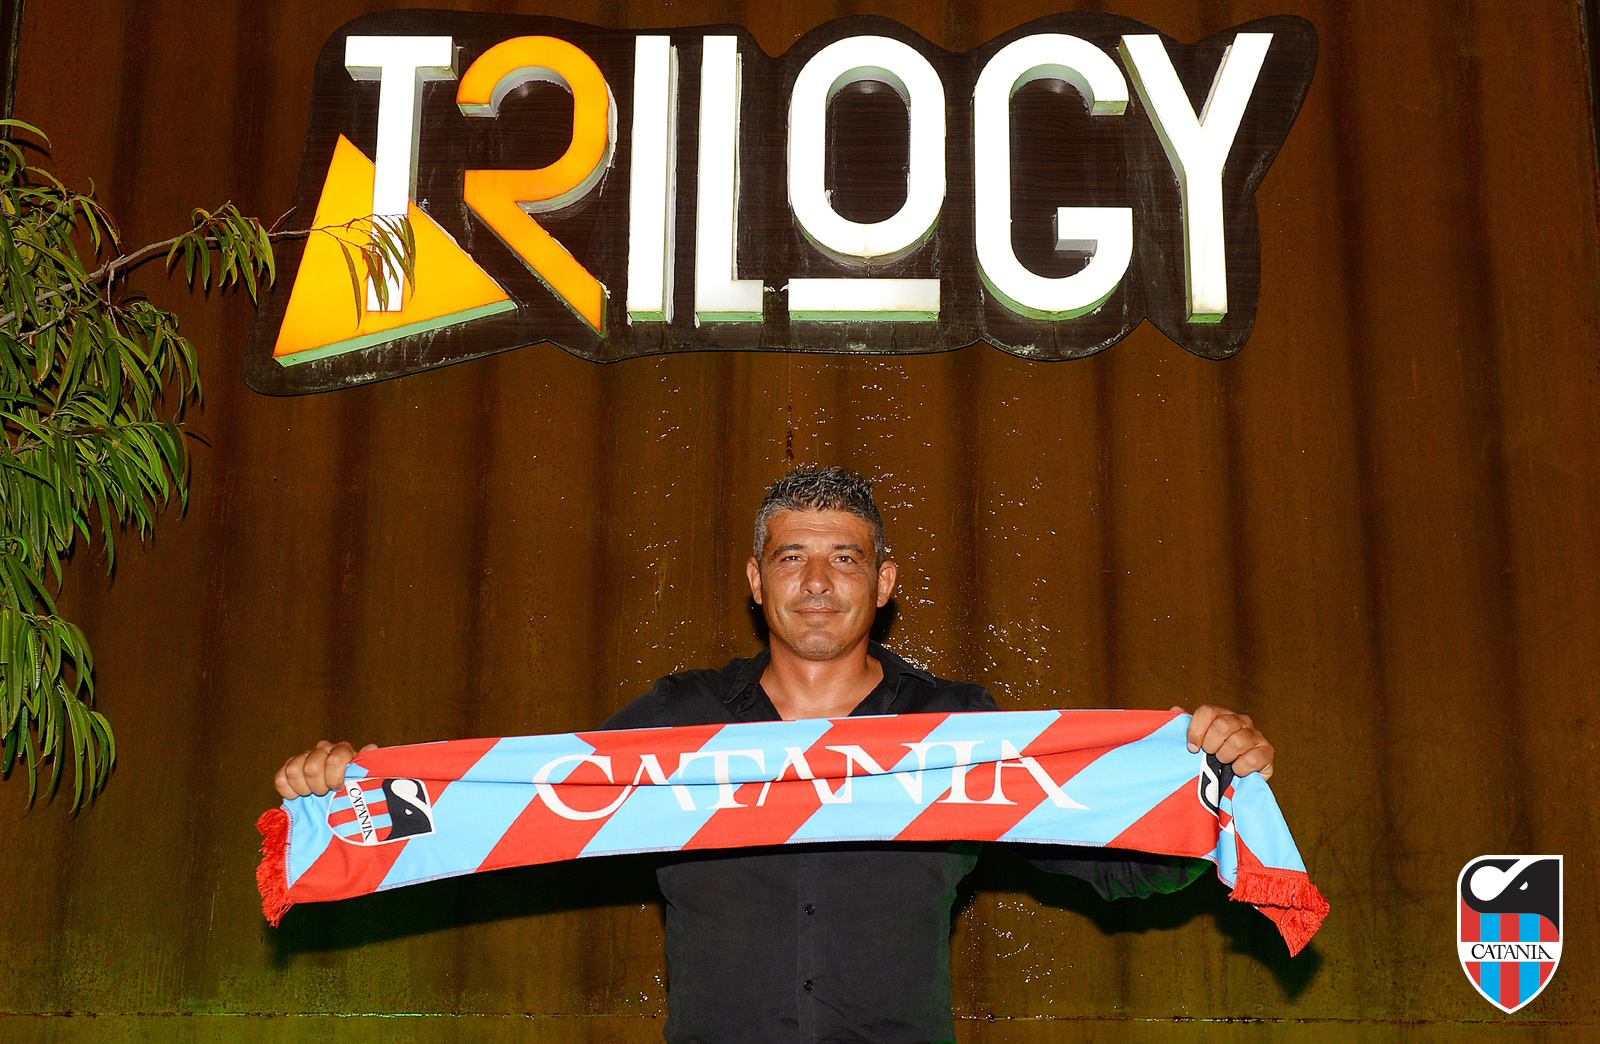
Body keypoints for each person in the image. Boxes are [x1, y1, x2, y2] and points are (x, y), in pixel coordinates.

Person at [276, 466, 1275, 1043]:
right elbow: (504, 804)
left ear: (884, 582)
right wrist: (347, 797)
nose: (817, 582)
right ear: (757, 581)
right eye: (792, 557)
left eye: (844, 557)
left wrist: (1214, 785)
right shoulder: (674, 723)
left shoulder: (959, 732)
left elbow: (1116, 862)